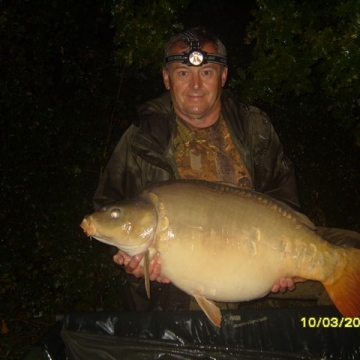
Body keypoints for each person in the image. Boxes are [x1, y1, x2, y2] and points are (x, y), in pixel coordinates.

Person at [93, 27, 360, 312]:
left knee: (348, 249)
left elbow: (283, 199)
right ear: (166, 78)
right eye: (183, 73)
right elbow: (111, 207)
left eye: (206, 72)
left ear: (223, 76)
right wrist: (127, 257)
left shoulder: (253, 126)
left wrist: (281, 265)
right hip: (177, 286)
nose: (195, 85)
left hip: (258, 257)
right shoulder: (141, 138)